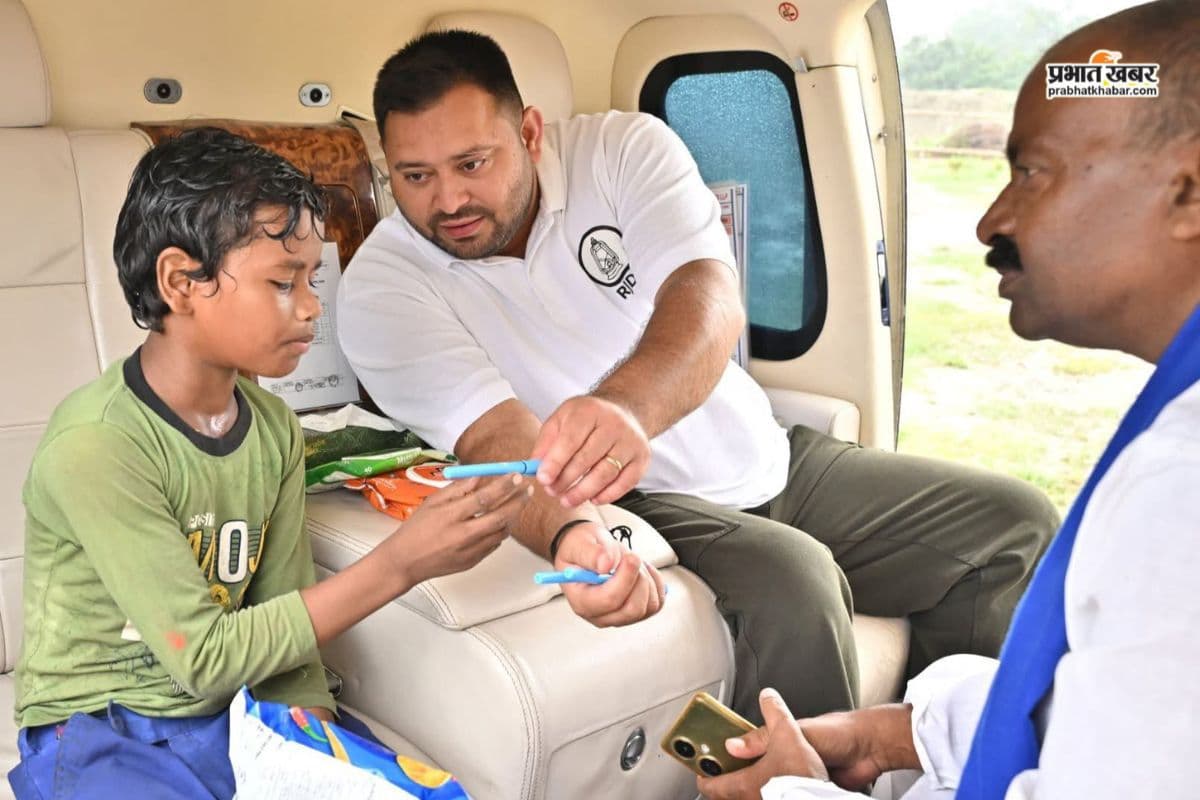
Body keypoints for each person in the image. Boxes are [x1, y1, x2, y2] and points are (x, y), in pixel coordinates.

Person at [338, 31, 1060, 723]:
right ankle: (801, 783)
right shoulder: (382, 288)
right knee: (796, 579)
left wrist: (628, 409)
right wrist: (570, 536)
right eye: (415, 176)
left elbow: (707, 297)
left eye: (472, 164)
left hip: (764, 454)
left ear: (529, 133)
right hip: (634, 499)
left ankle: (939, 756)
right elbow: (495, 439)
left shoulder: (621, 149)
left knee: (1012, 522)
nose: (449, 202)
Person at [694, 1, 1200, 797]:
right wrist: (906, 731)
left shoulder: (1179, 496)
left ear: (1189, 191)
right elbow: (1116, 709)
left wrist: (792, 794)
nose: (992, 221)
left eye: (1031, 172)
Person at [9, 128, 530, 799]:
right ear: (181, 282)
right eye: (283, 282)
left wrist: (316, 752)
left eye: (312, 280)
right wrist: (403, 561)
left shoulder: (274, 429)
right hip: (97, 728)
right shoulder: (98, 444)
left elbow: (287, 628)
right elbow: (202, 658)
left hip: (229, 715)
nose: (312, 307)